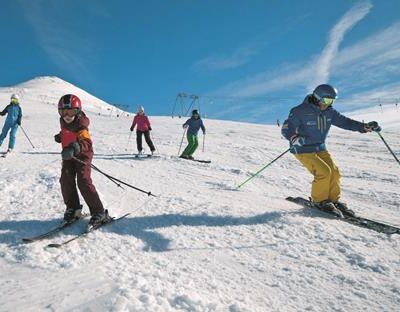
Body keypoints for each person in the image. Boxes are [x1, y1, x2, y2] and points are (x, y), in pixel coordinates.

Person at [281, 84, 381, 217]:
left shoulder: (330, 112)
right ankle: (320, 201)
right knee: (323, 172)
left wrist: (364, 127)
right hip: (302, 148)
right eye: (326, 100)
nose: (328, 104)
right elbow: (287, 127)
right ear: (317, 98)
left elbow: (346, 122)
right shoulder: (300, 110)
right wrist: (293, 137)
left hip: (320, 147)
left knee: (334, 172)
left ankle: (333, 201)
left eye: (332, 101)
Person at [55, 94, 111, 226]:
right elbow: (65, 131)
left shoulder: (81, 125)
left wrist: (76, 147)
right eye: (64, 112)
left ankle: (99, 212)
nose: (67, 115)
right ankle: (73, 208)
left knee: (83, 181)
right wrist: (60, 136)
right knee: (65, 179)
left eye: (71, 111)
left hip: (82, 155)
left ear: (78, 111)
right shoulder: (63, 121)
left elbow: (86, 142)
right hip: (69, 156)